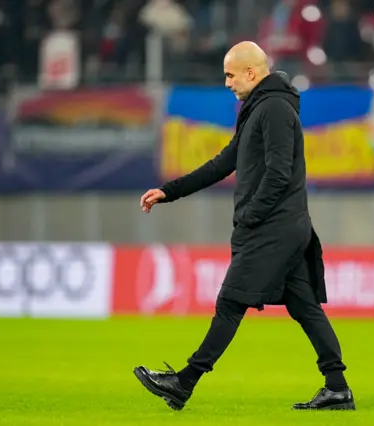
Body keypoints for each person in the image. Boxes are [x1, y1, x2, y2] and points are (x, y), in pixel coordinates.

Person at [133, 41, 355, 411]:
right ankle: (337, 387)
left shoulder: (275, 108)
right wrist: (169, 191)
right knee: (305, 307)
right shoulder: (259, 109)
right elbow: (222, 163)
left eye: (230, 75)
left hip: (275, 227)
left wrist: (252, 215)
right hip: (284, 225)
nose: (227, 83)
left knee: (231, 301)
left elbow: (279, 172)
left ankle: (184, 382)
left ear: (252, 73)